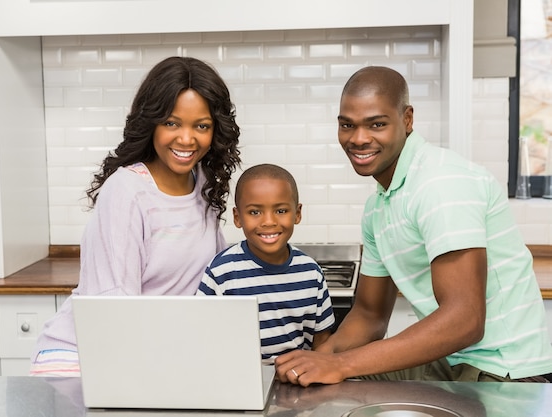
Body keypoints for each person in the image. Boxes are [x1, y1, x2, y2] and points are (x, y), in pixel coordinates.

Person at [275, 66, 552, 385]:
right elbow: (369, 316)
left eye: (376, 124)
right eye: (347, 125)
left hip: (503, 370)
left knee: (346, 377)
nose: (359, 138)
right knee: (327, 391)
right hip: (449, 362)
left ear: (407, 119)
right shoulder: (378, 207)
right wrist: (315, 362)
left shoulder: (441, 182)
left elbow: (466, 321)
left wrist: (342, 364)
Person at [30, 56, 241, 376]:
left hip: (152, 354)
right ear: (151, 122)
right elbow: (115, 309)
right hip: (83, 358)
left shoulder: (203, 184)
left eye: (201, 126)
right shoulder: (127, 191)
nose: (187, 139)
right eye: (172, 123)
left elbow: (210, 283)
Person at [197, 163, 335, 363]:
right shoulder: (220, 272)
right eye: (254, 212)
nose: (268, 221)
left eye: (280, 211)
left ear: (297, 213)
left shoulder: (311, 273)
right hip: (239, 381)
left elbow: (322, 339)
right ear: (238, 217)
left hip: (296, 383)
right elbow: (203, 336)